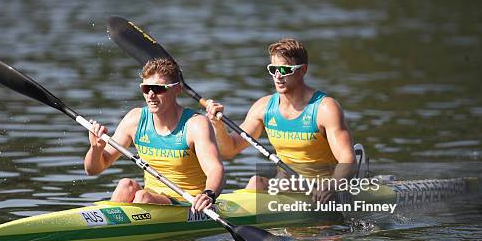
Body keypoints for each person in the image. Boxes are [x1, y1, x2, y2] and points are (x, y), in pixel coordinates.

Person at [205, 38, 355, 202]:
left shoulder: (325, 109)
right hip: (285, 185)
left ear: (303, 70)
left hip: (321, 191)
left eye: (284, 69)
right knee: (256, 182)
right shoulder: (263, 107)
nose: (278, 76)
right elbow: (230, 150)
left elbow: (347, 158)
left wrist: (332, 186)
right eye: (273, 69)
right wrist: (217, 125)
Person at [85, 58, 224, 213]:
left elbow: (215, 169)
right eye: (146, 88)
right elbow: (92, 170)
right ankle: (107, 227)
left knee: (143, 197)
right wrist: (96, 149)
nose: (151, 95)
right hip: (151, 199)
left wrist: (208, 194)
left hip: (190, 205)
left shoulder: (196, 124)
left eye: (158, 89)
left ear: (177, 89)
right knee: (126, 185)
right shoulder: (135, 120)